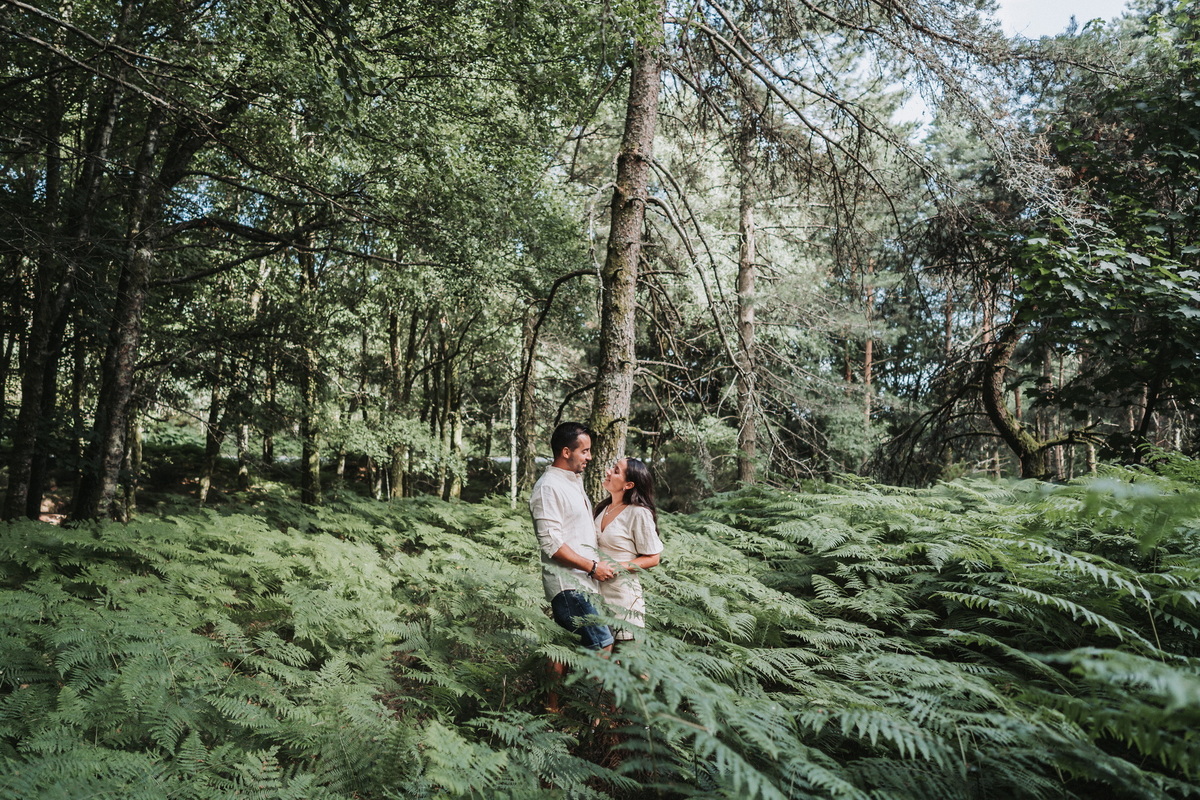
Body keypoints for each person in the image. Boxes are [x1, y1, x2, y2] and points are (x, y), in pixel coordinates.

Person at [529, 422, 616, 656]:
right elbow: (552, 545)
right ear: (566, 452)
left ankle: (549, 694)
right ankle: (605, 693)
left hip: (584, 583)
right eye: (584, 451)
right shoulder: (548, 488)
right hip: (569, 586)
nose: (590, 456)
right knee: (604, 647)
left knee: (561, 654)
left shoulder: (571, 482)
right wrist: (593, 567)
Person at [594, 457, 663, 646]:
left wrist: (618, 567)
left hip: (623, 600)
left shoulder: (638, 513)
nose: (608, 471)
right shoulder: (603, 508)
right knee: (603, 667)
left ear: (629, 484)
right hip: (596, 597)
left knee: (632, 667)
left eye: (616, 471)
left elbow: (653, 558)